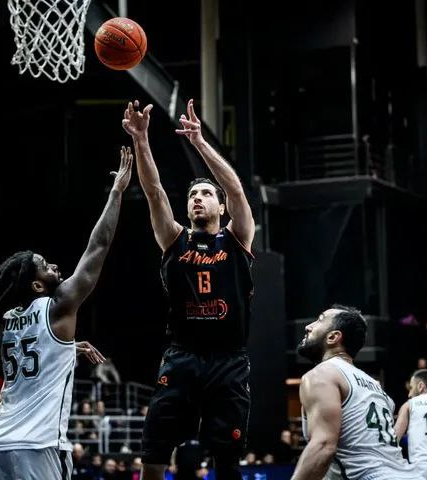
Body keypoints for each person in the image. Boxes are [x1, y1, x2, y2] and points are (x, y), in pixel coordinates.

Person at [0, 147, 132, 480]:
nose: (53, 265)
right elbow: (98, 247)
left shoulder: (5, 320)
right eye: (44, 266)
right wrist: (116, 192)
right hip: (38, 446)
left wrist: (67, 348)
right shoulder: (59, 305)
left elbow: (35, 349)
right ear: (37, 285)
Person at [122, 99, 255, 480]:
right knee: (153, 454)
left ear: (221, 208)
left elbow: (236, 190)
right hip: (182, 357)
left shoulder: (237, 238)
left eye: (206, 194)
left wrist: (199, 143)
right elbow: (154, 191)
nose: (198, 198)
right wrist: (141, 139)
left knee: (227, 462)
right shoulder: (174, 239)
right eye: (193, 196)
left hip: (228, 360)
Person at [291, 306, 424, 480]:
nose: (308, 326)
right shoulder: (376, 387)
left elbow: (323, 446)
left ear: (333, 337)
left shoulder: (322, 374)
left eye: (320, 320)